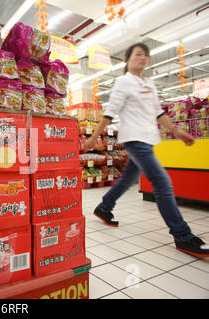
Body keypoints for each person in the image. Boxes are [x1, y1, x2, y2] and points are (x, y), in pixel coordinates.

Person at [83, 42, 209, 258]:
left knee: (127, 179)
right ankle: (182, 235)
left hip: (148, 139)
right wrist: (94, 137)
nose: (142, 58)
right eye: (138, 54)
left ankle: (104, 207)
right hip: (135, 139)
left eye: (145, 55)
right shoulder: (123, 82)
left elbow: (159, 113)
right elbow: (110, 113)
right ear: (128, 60)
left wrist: (177, 132)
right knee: (162, 183)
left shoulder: (149, 84)